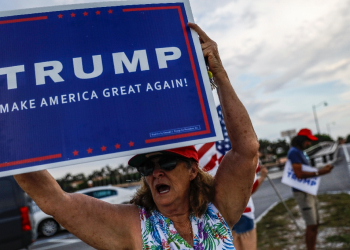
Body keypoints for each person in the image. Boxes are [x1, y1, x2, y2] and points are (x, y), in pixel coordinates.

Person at [13, 23, 259, 249]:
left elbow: (246, 150)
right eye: (146, 167)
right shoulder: (133, 226)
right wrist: (8, 136)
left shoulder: (218, 209)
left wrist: (220, 75)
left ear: (192, 170)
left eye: (167, 162)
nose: (155, 172)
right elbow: (55, 201)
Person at [288, 128, 333, 250]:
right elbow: (299, 174)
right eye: (308, 140)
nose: (309, 143)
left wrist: (321, 170)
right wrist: (320, 172)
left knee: (315, 224)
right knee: (311, 224)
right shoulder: (294, 152)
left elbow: (306, 171)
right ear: (301, 139)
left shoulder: (300, 152)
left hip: (308, 191)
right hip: (302, 193)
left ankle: (312, 247)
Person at [232, 163, 268, 250]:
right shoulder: (241, 157)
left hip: (225, 212)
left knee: (234, 245)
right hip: (244, 211)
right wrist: (262, 177)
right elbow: (251, 188)